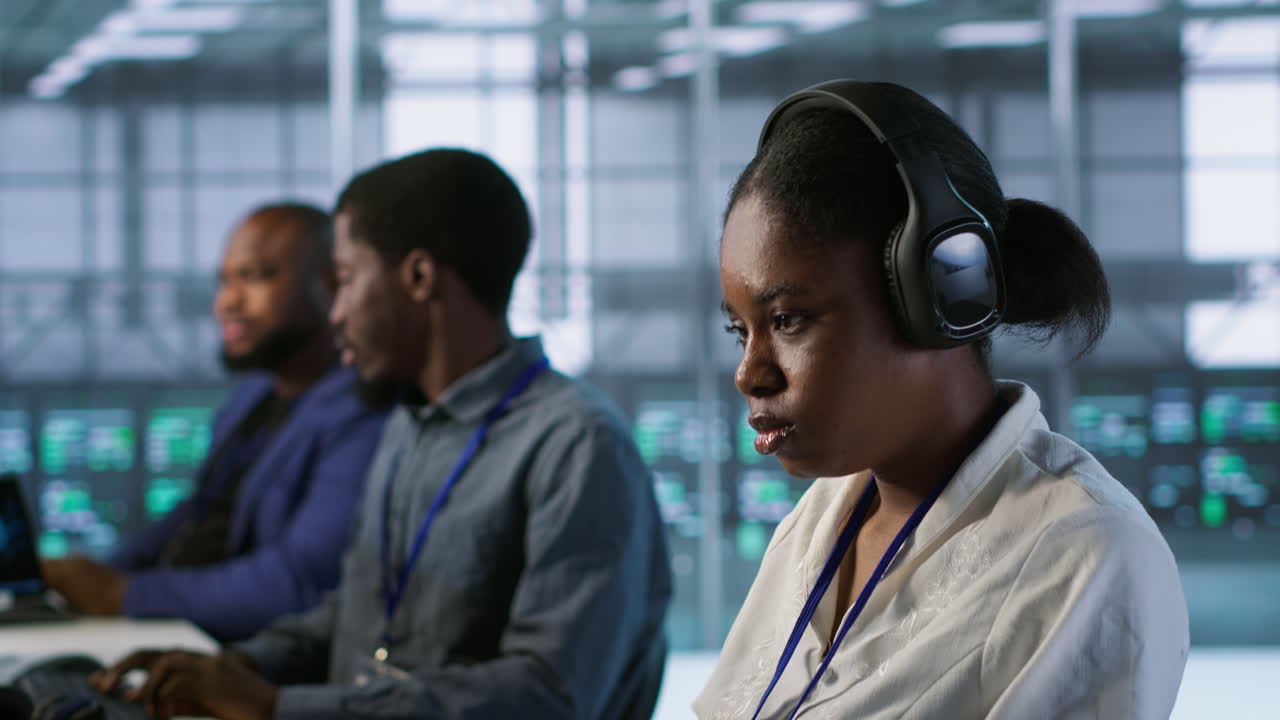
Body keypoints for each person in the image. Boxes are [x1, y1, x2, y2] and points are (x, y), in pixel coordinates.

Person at [94, 149, 673, 720]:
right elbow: (358, 616)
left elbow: (546, 695)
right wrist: (231, 668)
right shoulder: (407, 425)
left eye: (346, 280)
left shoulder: (576, 445)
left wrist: (278, 707)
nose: (336, 312)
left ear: (418, 278)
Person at [696, 81, 1188, 719]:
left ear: (940, 295)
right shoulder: (817, 521)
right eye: (740, 331)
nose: (749, 374)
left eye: (787, 320)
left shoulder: (1084, 553)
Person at [41, 203, 388, 643]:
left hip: (253, 655)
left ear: (329, 285)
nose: (228, 302)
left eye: (256, 276)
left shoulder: (363, 410)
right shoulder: (254, 396)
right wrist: (93, 578)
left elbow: (301, 582)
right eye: (224, 281)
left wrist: (125, 594)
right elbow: (198, 513)